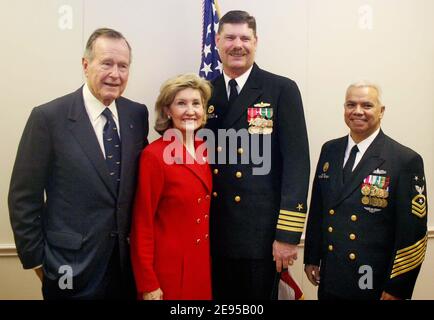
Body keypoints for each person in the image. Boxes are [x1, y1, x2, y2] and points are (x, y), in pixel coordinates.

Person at [8, 28, 149, 299]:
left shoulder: (136, 114)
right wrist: (38, 260)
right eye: (106, 63)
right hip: (68, 267)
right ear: (86, 65)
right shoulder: (48, 118)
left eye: (123, 66)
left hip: (125, 268)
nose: (115, 74)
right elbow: (23, 197)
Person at [205, 10, 310, 300]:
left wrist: (287, 236)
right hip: (212, 233)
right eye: (230, 37)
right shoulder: (203, 92)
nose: (237, 44)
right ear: (217, 41)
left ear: (256, 42)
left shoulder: (281, 89)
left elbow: (297, 166)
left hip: (260, 236)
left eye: (244, 38)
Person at [304, 81, 428, 300]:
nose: (358, 111)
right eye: (351, 104)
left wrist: (397, 287)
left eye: (367, 105)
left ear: (381, 111)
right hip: (332, 274)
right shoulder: (330, 150)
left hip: (373, 278)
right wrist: (312, 257)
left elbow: (413, 233)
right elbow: (318, 209)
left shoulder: (404, 159)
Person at [130, 73, 213, 300]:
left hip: (201, 266)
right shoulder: (154, 156)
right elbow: (142, 224)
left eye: (196, 103)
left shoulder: (206, 151)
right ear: (167, 110)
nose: (190, 110)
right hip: (167, 272)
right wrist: (148, 283)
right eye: (181, 103)